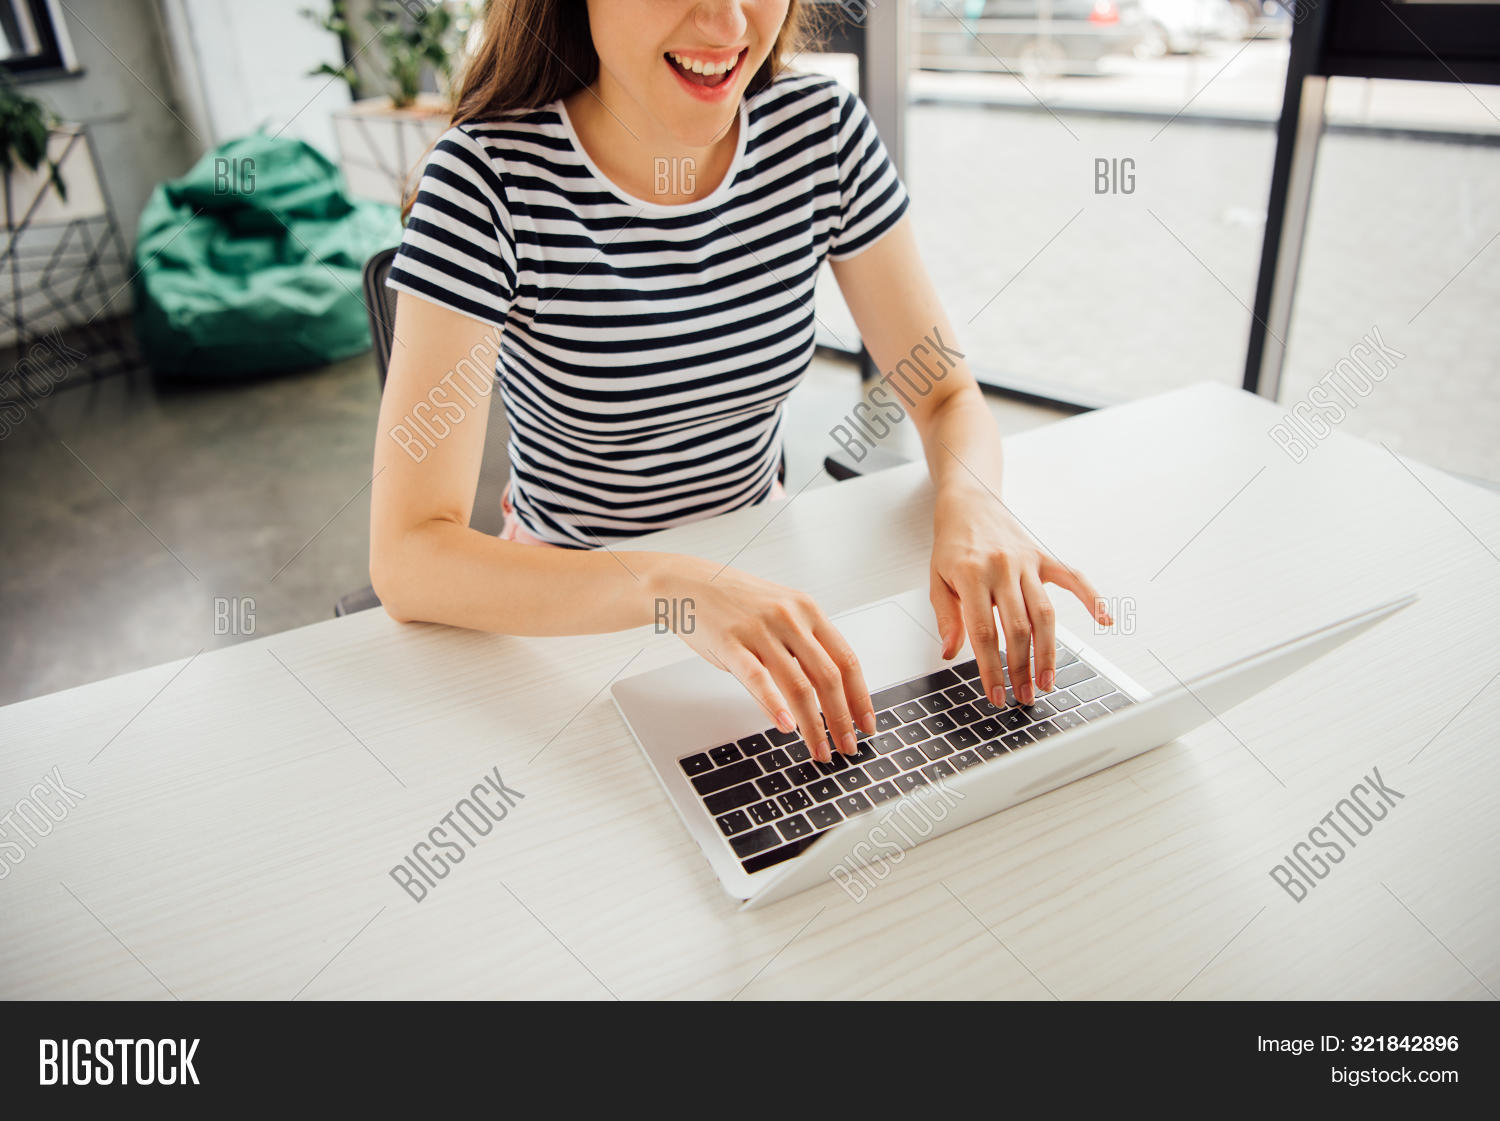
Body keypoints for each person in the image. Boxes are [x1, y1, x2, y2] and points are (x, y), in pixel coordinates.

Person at [370, 0, 1112, 764]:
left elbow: (945, 393)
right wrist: (673, 588)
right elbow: (407, 558)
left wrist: (974, 504)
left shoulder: (817, 132)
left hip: (765, 580)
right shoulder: (486, 179)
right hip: (572, 618)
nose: (728, 27)